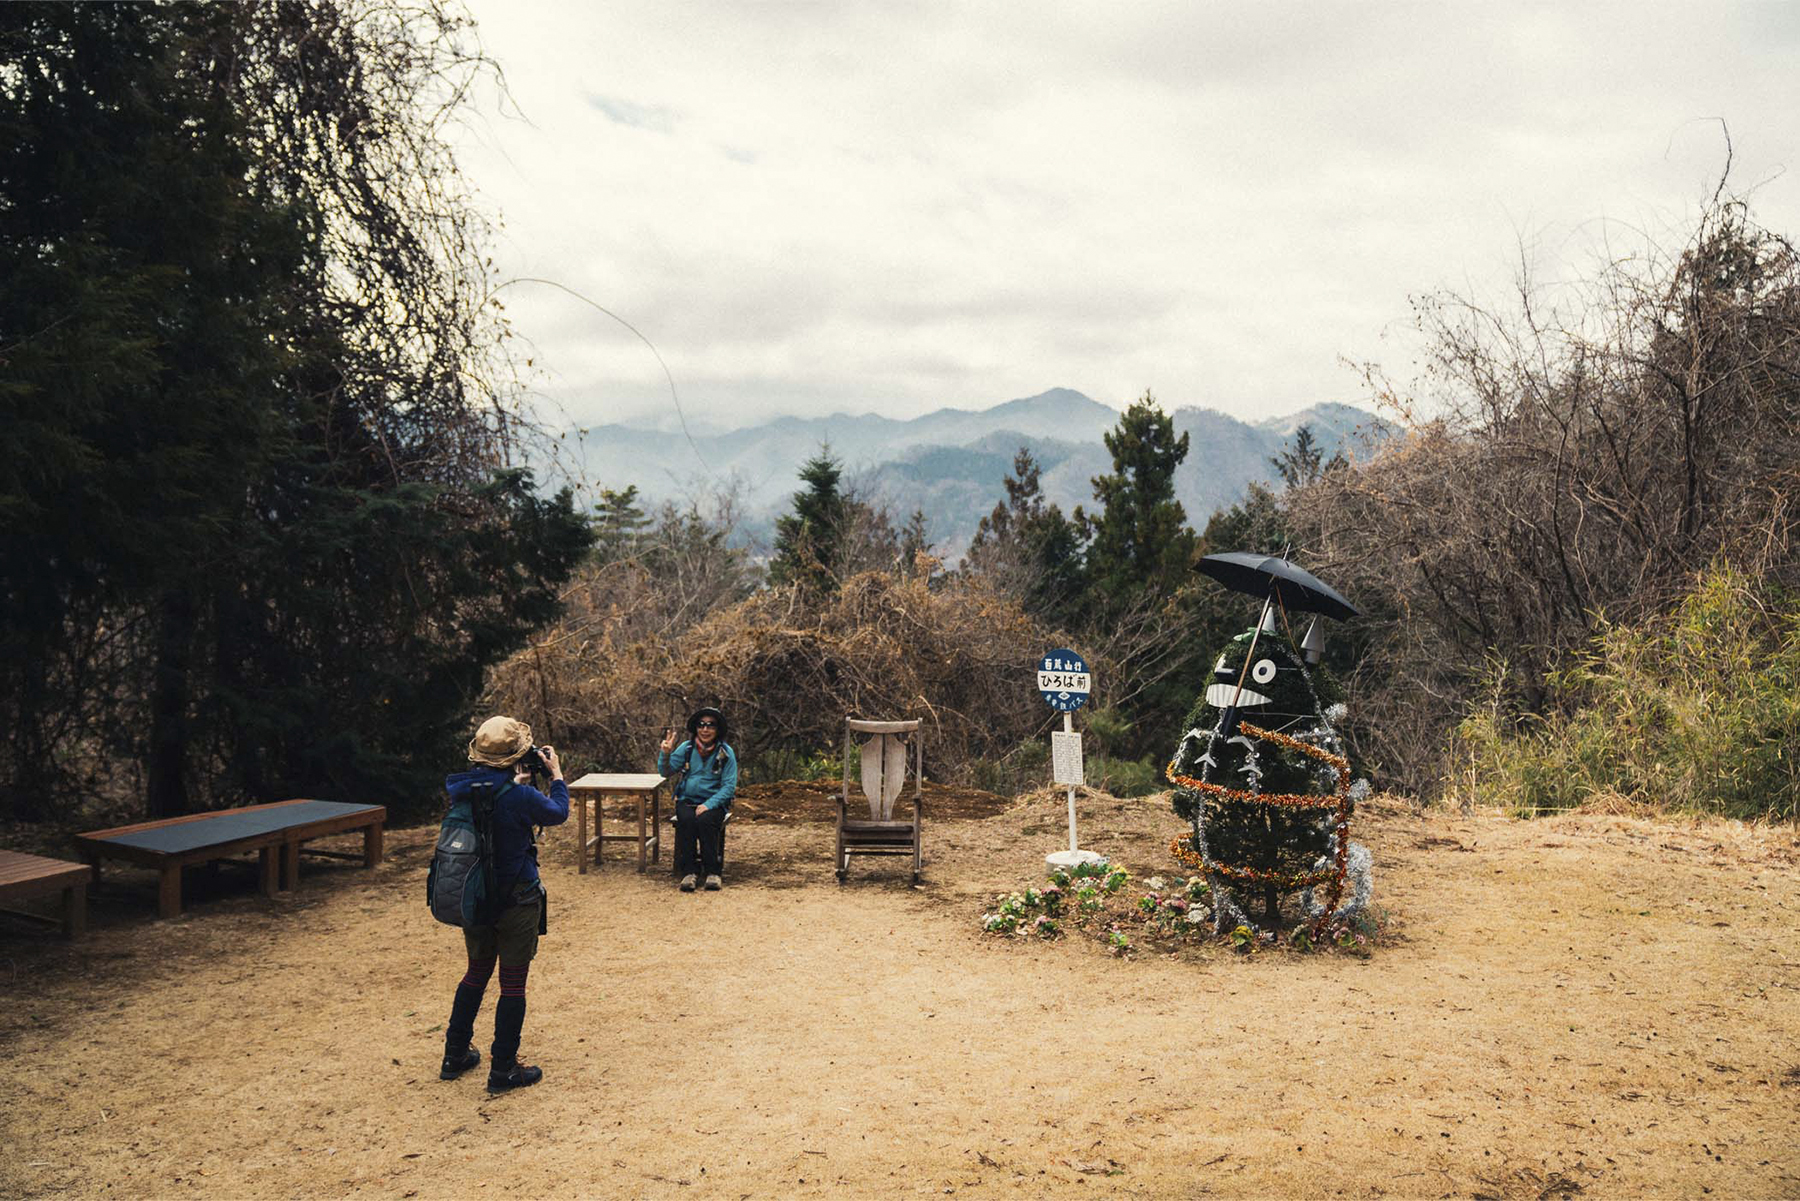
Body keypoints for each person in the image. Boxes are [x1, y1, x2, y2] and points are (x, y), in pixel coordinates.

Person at [440, 715, 568, 1092]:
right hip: (517, 898)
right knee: (512, 983)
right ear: (517, 754)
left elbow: (494, 804)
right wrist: (556, 774)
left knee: (476, 974)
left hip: (475, 897)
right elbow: (558, 812)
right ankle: (504, 1070)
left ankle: (454, 1054)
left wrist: (516, 781)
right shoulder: (520, 796)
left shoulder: (462, 790)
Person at [658, 706, 737, 891]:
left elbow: (729, 786)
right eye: (701, 725)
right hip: (687, 799)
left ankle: (713, 872)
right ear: (696, 728)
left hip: (714, 802)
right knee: (687, 820)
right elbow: (666, 771)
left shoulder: (725, 752)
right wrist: (666, 753)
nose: (705, 729)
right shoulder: (686, 748)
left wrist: (709, 804)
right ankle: (689, 872)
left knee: (706, 821)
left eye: (711, 725)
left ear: (717, 729)